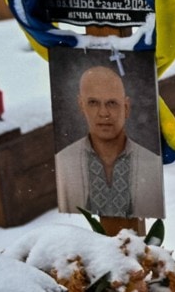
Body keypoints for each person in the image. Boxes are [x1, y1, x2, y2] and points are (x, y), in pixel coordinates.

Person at [55, 61, 164, 217]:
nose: (103, 113)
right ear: (81, 106)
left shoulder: (151, 164)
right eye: (93, 103)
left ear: (126, 107)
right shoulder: (64, 162)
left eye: (112, 103)